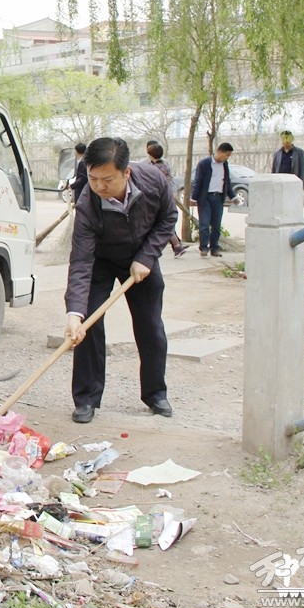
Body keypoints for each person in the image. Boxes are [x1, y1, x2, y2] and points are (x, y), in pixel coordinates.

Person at [64, 137, 177, 423]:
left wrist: (147, 257)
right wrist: (74, 313)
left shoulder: (153, 180)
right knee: (88, 322)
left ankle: (155, 393)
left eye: (107, 180)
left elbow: (168, 217)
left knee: (150, 325)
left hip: (140, 257)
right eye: (93, 179)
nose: (99, 186)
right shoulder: (87, 204)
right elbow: (81, 261)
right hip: (99, 261)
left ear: (126, 172)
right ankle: (86, 398)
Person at [191, 142, 237, 257]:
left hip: (218, 197)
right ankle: (203, 247)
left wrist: (233, 196)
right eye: (226, 155)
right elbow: (198, 181)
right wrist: (193, 197)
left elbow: (227, 182)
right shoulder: (204, 163)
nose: (227, 158)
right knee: (204, 224)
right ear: (220, 152)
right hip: (205, 197)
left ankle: (214, 247)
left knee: (216, 225)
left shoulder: (224, 164)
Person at [147, 142, 189, 257]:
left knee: (160, 223)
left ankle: (176, 246)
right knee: (163, 222)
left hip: (157, 198)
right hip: (166, 196)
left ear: (150, 155)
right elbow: (171, 180)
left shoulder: (152, 169)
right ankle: (176, 246)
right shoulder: (165, 166)